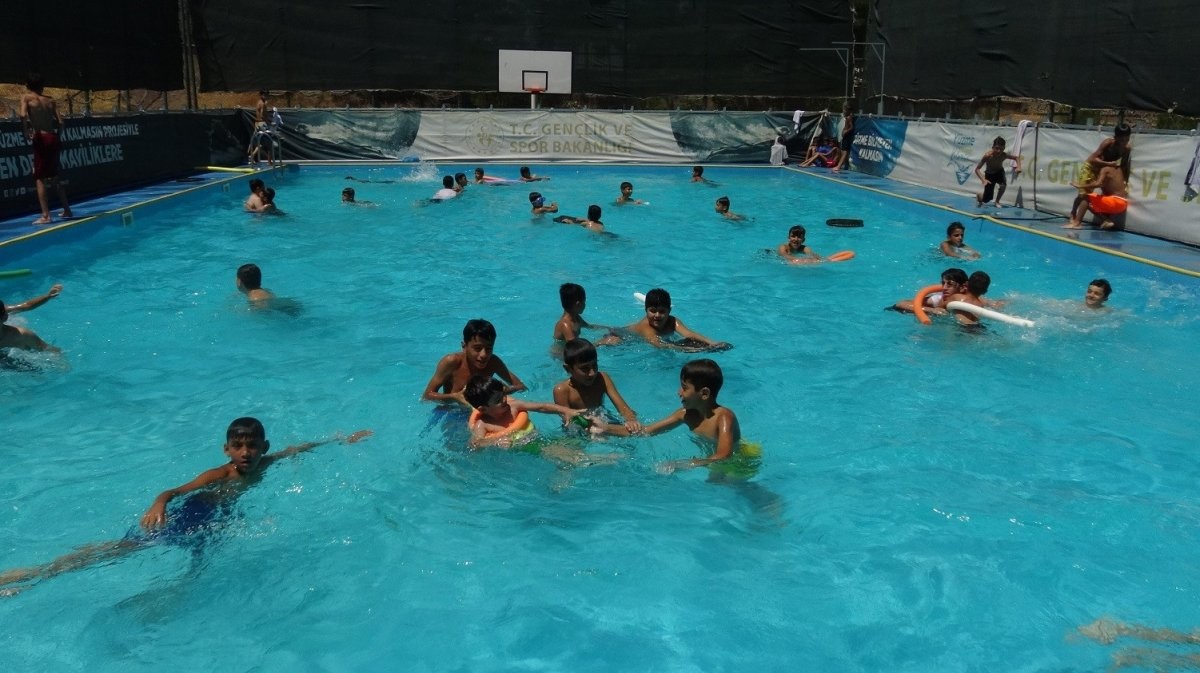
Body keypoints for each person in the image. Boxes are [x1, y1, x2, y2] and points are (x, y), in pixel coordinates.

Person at [0, 417, 371, 595]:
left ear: (264, 447)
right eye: (238, 447)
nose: (246, 453)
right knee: (117, 551)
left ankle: (165, 599)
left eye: (252, 446)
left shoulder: (268, 462)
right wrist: (158, 504)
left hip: (216, 522)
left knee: (198, 570)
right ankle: (32, 576)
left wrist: (340, 440)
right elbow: (174, 491)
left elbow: (298, 449)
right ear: (227, 449)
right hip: (189, 516)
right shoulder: (219, 474)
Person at [598, 359, 760, 479]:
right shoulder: (685, 415)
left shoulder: (724, 417)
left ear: (704, 393)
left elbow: (724, 455)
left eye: (684, 388)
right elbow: (646, 431)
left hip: (740, 460)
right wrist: (606, 429)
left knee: (736, 488)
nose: (679, 392)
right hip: (712, 460)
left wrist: (684, 464)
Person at [463, 376, 618, 465]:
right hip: (524, 448)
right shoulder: (482, 424)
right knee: (561, 455)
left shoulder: (513, 406)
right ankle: (600, 460)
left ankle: (564, 475)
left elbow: (541, 407)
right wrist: (495, 442)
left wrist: (567, 411)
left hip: (537, 438)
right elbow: (474, 445)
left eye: (503, 395)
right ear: (483, 409)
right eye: (497, 400)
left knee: (565, 446)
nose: (504, 400)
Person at [422, 319, 527, 406]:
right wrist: (454, 397)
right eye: (477, 348)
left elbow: (520, 386)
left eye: (489, 348)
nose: (484, 355)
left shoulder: (493, 362)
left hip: (482, 410)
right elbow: (426, 396)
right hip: (452, 410)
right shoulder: (452, 362)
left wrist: (501, 391)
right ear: (464, 346)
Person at [600, 288, 731, 352]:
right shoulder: (646, 328)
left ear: (669, 311)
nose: (657, 315)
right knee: (608, 342)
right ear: (645, 310)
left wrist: (713, 343)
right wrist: (696, 350)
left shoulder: (673, 321)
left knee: (691, 341)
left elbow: (690, 334)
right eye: (652, 311)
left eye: (662, 311)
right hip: (621, 335)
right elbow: (660, 345)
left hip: (633, 333)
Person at [552, 338, 640, 432]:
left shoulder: (602, 378)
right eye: (584, 368)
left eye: (594, 365)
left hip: (602, 418)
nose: (592, 373)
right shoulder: (562, 391)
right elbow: (569, 422)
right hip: (578, 430)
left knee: (635, 432)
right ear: (568, 369)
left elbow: (624, 408)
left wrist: (631, 420)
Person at [19, 73, 73, 225]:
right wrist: (58, 137)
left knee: (39, 177)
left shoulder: (26, 98)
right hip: (52, 137)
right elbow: (61, 122)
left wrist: (26, 130)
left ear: (28, 86)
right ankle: (67, 210)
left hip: (41, 138)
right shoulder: (50, 100)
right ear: (42, 86)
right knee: (54, 176)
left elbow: (22, 115)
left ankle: (46, 215)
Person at [1070, 123, 1133, 226]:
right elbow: (1092, 159)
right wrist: (1108, 164)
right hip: (1091, 167)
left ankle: (1104, 219)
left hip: (1103, 169)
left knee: (1088, 196)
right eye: (1121, 140)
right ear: (1115, 137)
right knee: (1083, 194)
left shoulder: (1127, 149)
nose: (1124, 142)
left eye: (1127, 139)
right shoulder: (1108, 143)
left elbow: (1124, 166)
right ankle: (1073, 214)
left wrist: (1124, 181)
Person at [1068, 165, 1129, 230]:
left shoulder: (1105, 169)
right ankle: (1106, 220)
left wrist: (1080, 185)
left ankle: (1077, 223)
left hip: (1115, 201)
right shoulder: (1118, 170)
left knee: (1085, 197)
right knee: (1086, 203)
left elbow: (1098, 184)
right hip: (1122, 204)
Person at [890, 268, 967, 314]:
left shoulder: (969, 301)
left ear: (962, 287)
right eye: (943, 283)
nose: (944, 288)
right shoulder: (939, 298)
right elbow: (901, 304)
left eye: (950, 284)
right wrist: (931, 310)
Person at [974, 136, 1021, 207]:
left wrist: (1019, 167)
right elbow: (977, 169)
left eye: (1001, 149)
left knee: (1003, 185)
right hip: (989, 175)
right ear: (993, 147)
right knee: (987, 199)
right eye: (997, 148)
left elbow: (1016, 158)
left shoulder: (1003, 155)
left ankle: (997, 202)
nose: (999, 151)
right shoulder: (987, 156)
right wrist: (983, 179)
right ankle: (979, 196)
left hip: (999, 172)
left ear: (1004, 148)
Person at [834, 105, 855, 171]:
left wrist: (845, 131)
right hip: (846, 136)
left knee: (845, 151)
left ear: (848, 111)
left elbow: (852, 127)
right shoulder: (848, 117)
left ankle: (838, 166)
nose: (844, 111)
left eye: (845, 110)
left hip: (847, 136)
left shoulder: (849, 117)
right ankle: (846, 165)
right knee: (844, 151)